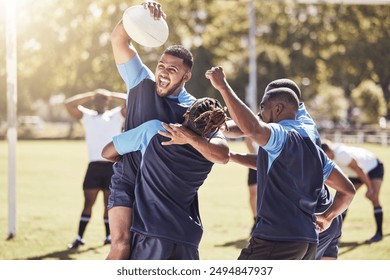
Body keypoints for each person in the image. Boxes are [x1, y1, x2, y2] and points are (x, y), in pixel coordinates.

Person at [206, 67, 356, 259]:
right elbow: (256, 136)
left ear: (278, 108)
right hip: (311, 231)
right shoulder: (300, 132)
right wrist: (224, 136)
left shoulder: (286, 134)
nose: (259, 113)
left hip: (285, 230)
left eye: (262, 106)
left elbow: (252, 128)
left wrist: (223, 86)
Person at [106, 2, 218, 259]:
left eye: (173, 69)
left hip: (162, 191)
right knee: (122, 245)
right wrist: (140, 14)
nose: (163, 72)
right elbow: (118, 39)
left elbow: (216, 149)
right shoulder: (140, 81)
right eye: (161, 65)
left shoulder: (195, 112)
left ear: (186, 76)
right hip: (128, 180)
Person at [102, 97, 229, 259]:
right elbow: (224, 155)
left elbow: (106, 152)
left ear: (186, 114)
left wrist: (135, 160)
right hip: (188, 237)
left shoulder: (155, 130)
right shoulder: (210, 152)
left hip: (152, 232)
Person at [64, 88, 126, 249]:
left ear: (107, 102)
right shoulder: (87, 117)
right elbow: (68, 104)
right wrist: (90, 94)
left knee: (109, 205)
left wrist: (110, 94)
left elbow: (130, 100)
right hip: (94, 167)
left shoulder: (115, 115)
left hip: (112, 166)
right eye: (97, 100)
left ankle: (108, 237)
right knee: (88, 203)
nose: (100, 103)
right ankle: (79, 238)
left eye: (103, 100)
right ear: (93, 102)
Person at [321, 139, 385, 243]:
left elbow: (359, 169)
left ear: (330, 151)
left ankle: (379, 233)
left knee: (374, 198)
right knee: (342, 198)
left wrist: (370, 188)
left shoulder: (341, 154)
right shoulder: (327, 156)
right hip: (355, 174)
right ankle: (336, 234)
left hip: (373, 167)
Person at [245, 138, 258, 234]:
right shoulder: (256, 122)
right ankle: (256, 220)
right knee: (253, 193)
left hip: (271, 160)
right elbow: (248, 140)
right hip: (256, 160)